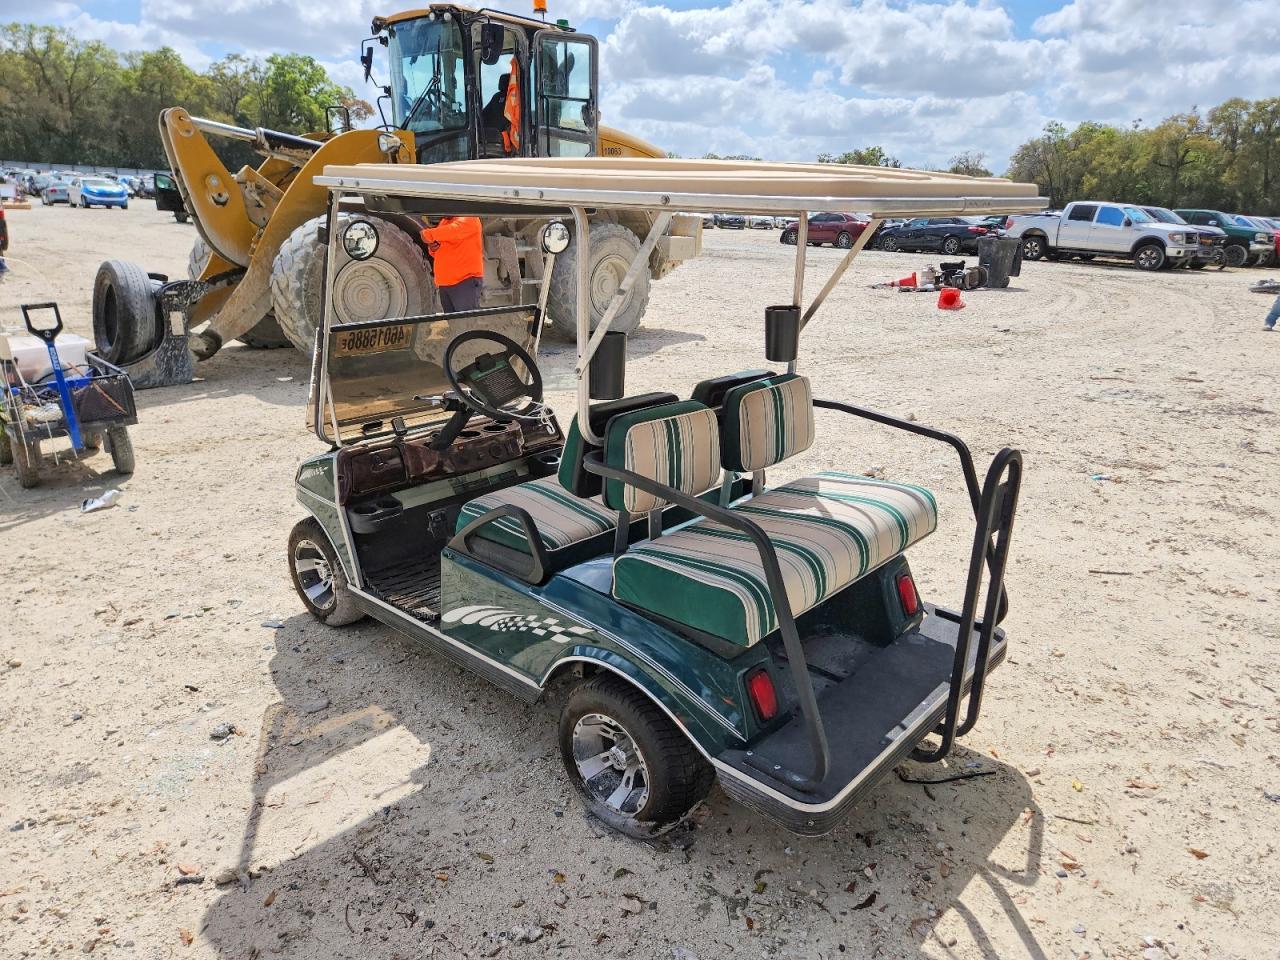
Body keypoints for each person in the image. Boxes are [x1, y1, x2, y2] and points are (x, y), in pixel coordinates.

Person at [421, 216, 484, 312]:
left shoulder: (469, 218)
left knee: (467, 324)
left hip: (464, 282)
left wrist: (427, 234)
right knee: (453, 324)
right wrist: (432, 248)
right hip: (446, 284)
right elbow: (440, 248)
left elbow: (453, 231)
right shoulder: (444, 221)